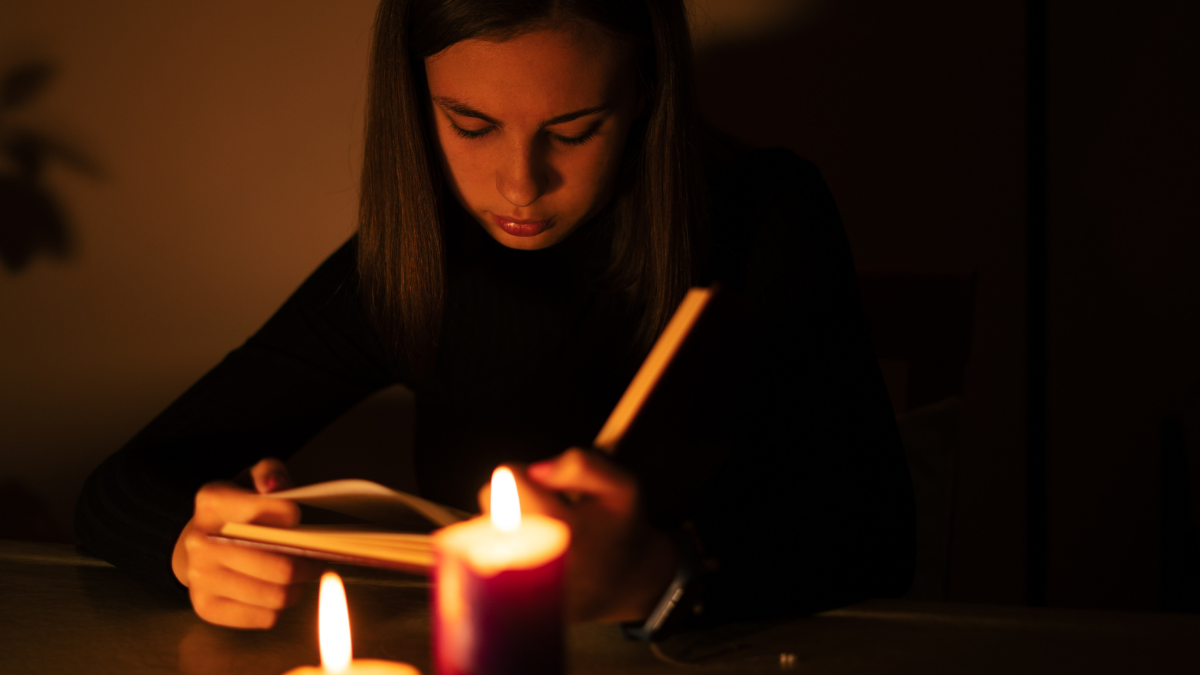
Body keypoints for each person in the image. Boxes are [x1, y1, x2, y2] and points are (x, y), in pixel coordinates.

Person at [75, 0, 915, 634]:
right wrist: (190, 549)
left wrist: (660, 574)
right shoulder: (422, 259)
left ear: (645, 92)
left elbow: (875, 536)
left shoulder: (764, 213)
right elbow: (119, 483)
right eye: (470, 125)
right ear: (417, 100)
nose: (520, 186)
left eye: (576, 130)